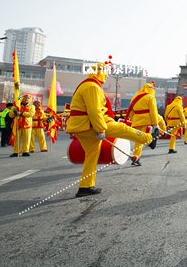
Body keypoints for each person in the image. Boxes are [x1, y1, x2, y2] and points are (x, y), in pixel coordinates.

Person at [66, 62, 157, 197]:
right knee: (123, 128)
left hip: (82, 126)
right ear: (99, 72)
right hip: (91, 124)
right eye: (105, 73)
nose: (106, 76)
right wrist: (100, 129)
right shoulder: (92, 87)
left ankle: (85, 187)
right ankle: (149, 139)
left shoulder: (87, 85)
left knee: (92, 155)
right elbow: (94, 111)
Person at [127, 83, 160, 166]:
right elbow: (153, 112)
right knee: (140, 140)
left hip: (136, 120)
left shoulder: (135, 97)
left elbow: (131, 111)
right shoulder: (150, 97)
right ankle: (136, 158)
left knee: (138, 139)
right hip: (145, 120)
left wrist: (133, 119)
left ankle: (136, 156)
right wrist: (155, 124)